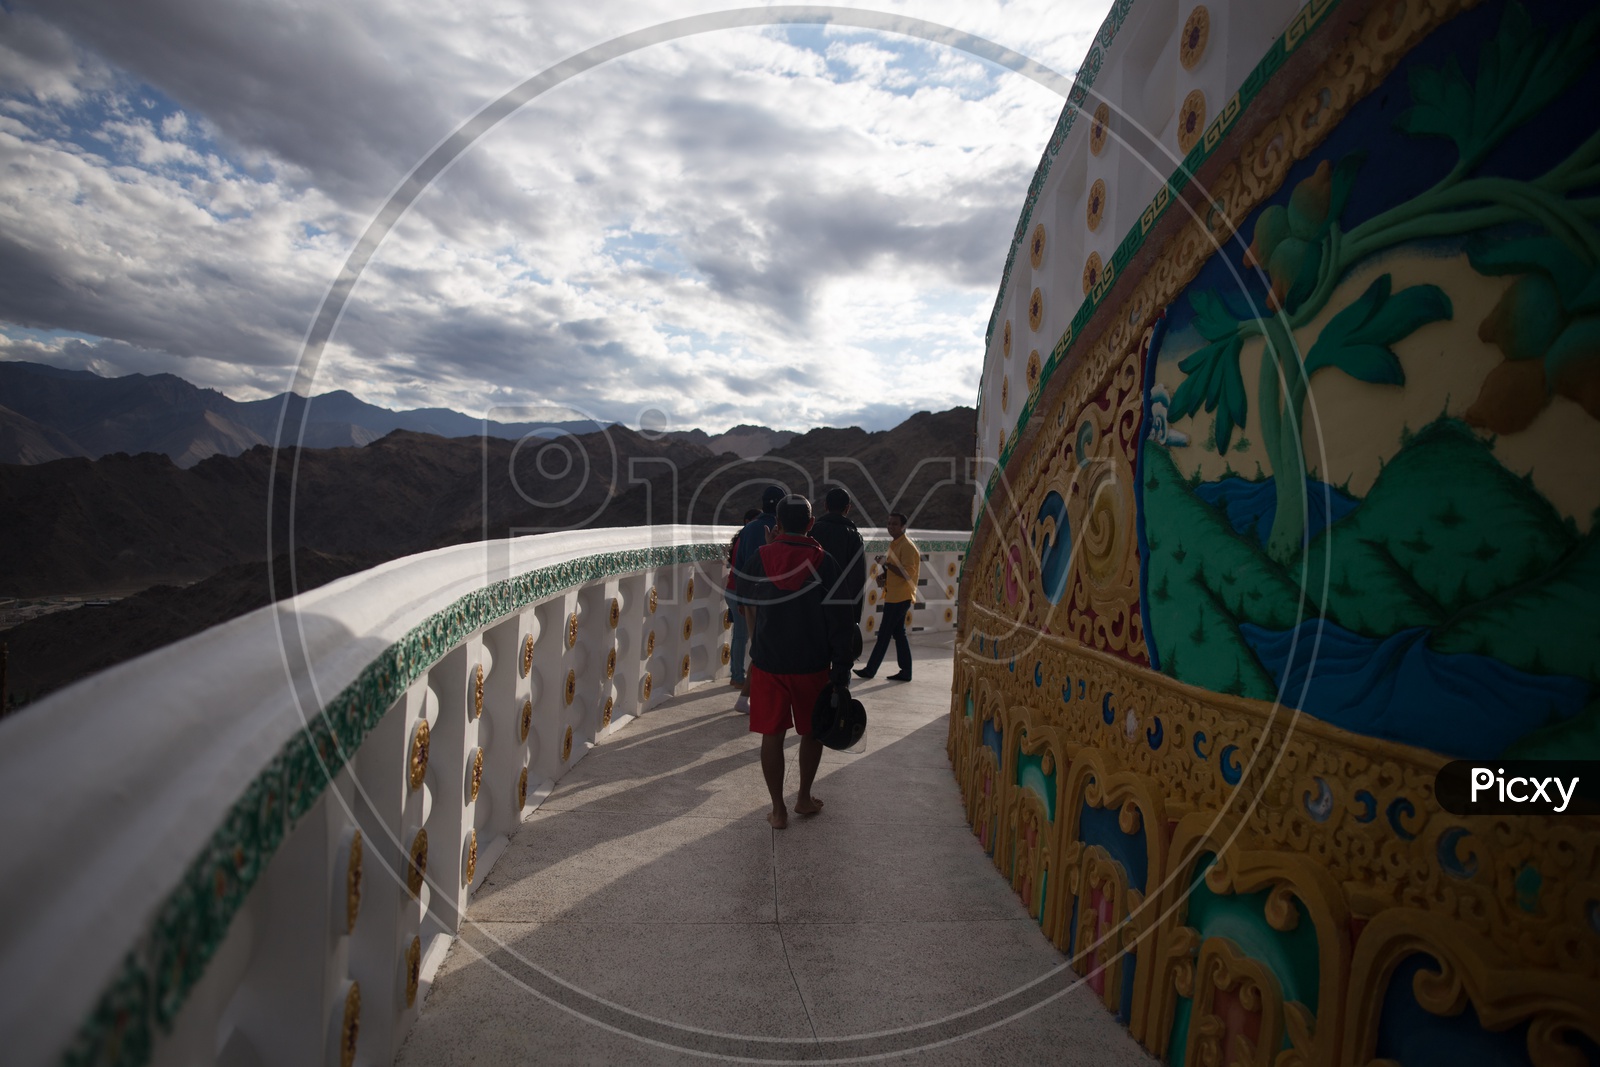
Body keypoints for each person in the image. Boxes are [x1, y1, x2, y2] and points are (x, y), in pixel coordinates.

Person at [738, 494, 856, 829]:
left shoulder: (761, 558)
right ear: (809, 524)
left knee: (771, 735)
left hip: (768, 663)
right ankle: (803, 797)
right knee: (812, 732)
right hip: (812, 664)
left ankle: (778, 810)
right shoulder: (825, 562)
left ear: (777, 525)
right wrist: (841, 668)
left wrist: (770, 547)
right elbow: (841, 621)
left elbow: (745, 598)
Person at [731, 486, 784, 714]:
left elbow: (739, 566)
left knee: (759, 647)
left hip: (750, 597)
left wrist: (742, 599)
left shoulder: (747, 529)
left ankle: (751, 696)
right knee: (767, 649)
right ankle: (751, 698)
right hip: (773, 598)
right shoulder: (783, 528)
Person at [855, 511, 918, 682]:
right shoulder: (895, 545)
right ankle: (906, 671)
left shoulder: (907, 546)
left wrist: (886, 564)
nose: (891, 527)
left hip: (900, 597)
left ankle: (871, 669)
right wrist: (884, 574)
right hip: (894, 595)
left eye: (895, 524)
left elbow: (906, 574)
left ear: (903, 526)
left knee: (884, 634)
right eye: (889, 523)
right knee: (899, 634)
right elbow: (893, 569)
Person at [810, 487, 867, 619]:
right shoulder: (853, 536)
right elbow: (857, 578)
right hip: (840, 607)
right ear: (847, 508)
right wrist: (854, 616)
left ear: (825, 506)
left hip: (813, 603)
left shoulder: (812, 532)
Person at [725, 507, 761, 705]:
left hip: (735, 591)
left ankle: (738, 673)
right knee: (741, 635)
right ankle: (737, 676)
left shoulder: (744, 536)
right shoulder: (748, 537)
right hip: (737, 591)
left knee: (741, 634)